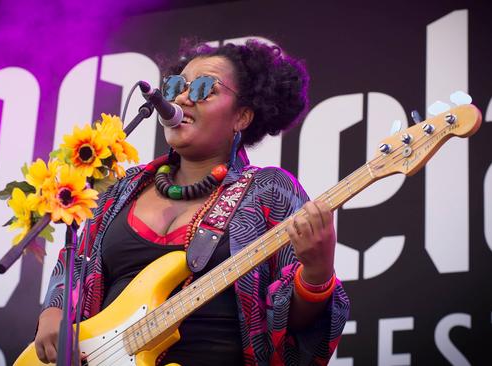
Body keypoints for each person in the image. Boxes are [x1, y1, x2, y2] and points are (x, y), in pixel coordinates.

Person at [34, 39, 350, 365]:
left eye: (203, 89)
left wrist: (316, 273)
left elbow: (295, 327)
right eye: (174, 86)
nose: (182, 98)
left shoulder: (269, 190)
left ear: (241, 117)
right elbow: (73, 269)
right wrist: (54, 313)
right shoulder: (120, 190)